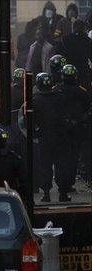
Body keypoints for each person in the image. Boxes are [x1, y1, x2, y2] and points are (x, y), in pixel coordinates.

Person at [53, 64, 90, 200]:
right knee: (73, 157)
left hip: (60, 130)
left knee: (60, 158)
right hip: (76, 130)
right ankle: (68, 183)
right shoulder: (81, 91)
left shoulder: (56, 90)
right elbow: (87, 107)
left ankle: (61, 182)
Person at [33, 72, 68, 202]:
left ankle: (46, 194)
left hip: (44, 139)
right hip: (60, 138)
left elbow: (28, 120)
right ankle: (63, 193)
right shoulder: (60, 97)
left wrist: (35, 133)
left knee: (45, 166)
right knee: (61, 165)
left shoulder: (35, 100)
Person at [56, 20, 92, 90]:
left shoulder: (64, 39)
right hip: (83, 72)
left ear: (73, 28)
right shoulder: (87, 40)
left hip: (67, 70)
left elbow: (58, 55)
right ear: (84, 28)